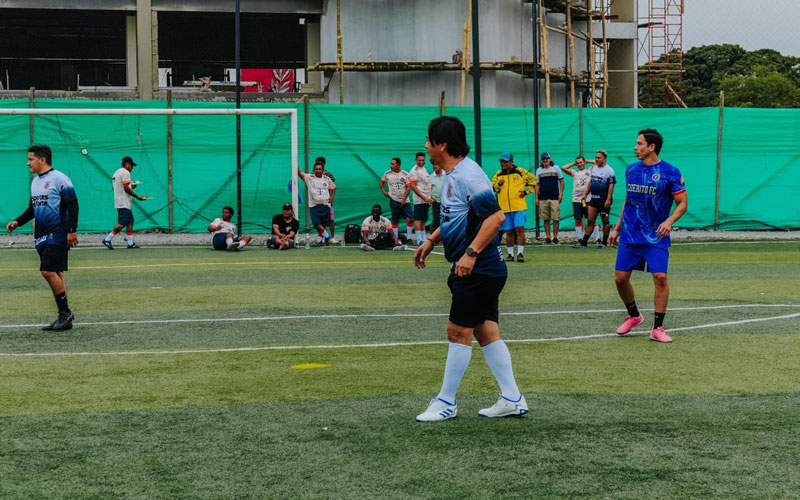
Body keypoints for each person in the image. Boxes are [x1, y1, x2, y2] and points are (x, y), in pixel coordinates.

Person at [414, 116, 527, 422]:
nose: (425, 145)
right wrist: (430, 240)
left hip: (479, 270)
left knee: (457, 330)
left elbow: (496, 218)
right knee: (485, 330)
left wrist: (470, 254)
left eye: (428, 140)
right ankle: (512, 398)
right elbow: (454, 218)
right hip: (480, 269)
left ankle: (446, 402)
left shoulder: (469, 175)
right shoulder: (451, 174)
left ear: (442, 145)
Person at [609, 129, 687, 343]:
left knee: (660, 277)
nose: (635, 147)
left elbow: (682, 203)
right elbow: (628, 200)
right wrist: (616, 229)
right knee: (620, 278)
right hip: (630, 232)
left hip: (655, 235)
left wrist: (669, 221)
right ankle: (634, 315)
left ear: (651, 147)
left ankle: (658, 328)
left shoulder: (670, 171)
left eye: (639, 143)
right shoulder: (631, 170)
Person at [6, 145, 79, 331]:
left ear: (42, 160)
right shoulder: (35, 182)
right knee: (57, 273)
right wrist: (18, 221)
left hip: (58, 232)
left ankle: (65, 313)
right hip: (41, 235)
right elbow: (33, 209)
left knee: (47, 271)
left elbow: (72, 203)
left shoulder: (59, 178)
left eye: (30, 159)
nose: (27, 163)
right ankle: (64, 316)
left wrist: (72, 230)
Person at [491, 152, 537, 262]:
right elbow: (492, 188)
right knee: (509, 231)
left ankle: (520, 253)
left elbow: (534, 181)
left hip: (519, 206)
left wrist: (526, 192)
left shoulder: (520, 171)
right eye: (502, 161)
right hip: (505, 208)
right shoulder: (498, 174)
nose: (503, 163)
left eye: (505, 161)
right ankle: (510, 254)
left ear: (512, 162)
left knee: (519, 229)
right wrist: (498, 184)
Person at [102, 156, 149, 249]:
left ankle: (130, 243)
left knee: (130, 221)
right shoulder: (125, 172)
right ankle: (107, 239)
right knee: (123, 222)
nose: (132, 168)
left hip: (120, 200)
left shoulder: (117, 172)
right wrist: (137, 196)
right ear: (127, 164)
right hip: (123, 202)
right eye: (131, 165)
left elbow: (122, 186)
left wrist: (132, 186)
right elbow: (126, 187)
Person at [577, 150, 616, 248]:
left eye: (599, 158)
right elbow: (591, 182)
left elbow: (611, 186)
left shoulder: (609, 170)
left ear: (604, 158)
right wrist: (586, 194)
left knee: (605, 221)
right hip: (594, 199)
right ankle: (584, 243)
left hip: (604, 200)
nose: (597, 159)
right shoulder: (594, 168)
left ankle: (603, 243)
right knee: (590, 220)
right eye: (596, 158)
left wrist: (608, 199)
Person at [561, 155, 597, 245]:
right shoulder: (574, 172)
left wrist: (587, 161)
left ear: (584, 162)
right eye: (578, 163)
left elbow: (597, 163)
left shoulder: (590, 170)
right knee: (578, 219)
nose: (579, 164)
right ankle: (580, 239)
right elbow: (563, 167)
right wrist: (574, 163)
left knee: (591, 219)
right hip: (576, 199)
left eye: (581, 162)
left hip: (588, 199)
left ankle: (598, 239)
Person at [299, 161, 336, 245]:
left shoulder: (327, 178)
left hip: (326, 204)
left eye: (320, 169)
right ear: (313, 170)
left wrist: (332, 196)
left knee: (323, 224)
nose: (318, 171)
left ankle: (319, 240)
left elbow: (334, 187)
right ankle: (327, 236)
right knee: (316, 223)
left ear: (323, 171)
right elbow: (300, 174)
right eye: (316, 169)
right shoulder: (309, 177)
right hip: (314, 205)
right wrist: (295, 164)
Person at [380, 157, 413, 243]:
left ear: (398, 165)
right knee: (395, 220)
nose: (391, 165)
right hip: (394, 199)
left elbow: (408, 187)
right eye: (391, 164)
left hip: (405, 200)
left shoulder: (405, 174)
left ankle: (409, 238)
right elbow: (382, 181)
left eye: (393, 164)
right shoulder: (387, 173)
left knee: (410, 218)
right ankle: (395, 239)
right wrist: (384, 192)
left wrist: (404, 199)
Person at [535, 152, 564, 244]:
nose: (545, 160)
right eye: (543, 159)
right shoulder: (539, 170)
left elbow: (562, 181)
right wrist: (536, 198)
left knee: (556, 218)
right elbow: (537, 185)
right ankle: (548, 237)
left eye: (546, 159)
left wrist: (561, 194)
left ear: (550, 159)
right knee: (545, 218)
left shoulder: (556, 168)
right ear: (541, 160)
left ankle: (555, 237)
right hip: (543, 198)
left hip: (554, 197)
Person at [408, 152, 435, 246]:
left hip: (426, 199)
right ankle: (419, 239)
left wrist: (429, 197)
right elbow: (414, 187)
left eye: (423, 160)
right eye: (419, 160)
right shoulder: (414, 171)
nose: (421, 162)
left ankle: (423, 238)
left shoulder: (424, 169)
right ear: (416, 160)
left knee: (423, 219)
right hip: (419, 199)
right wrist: (424, 197)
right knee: (418, 219)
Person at [315, 156, 339, 244]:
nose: (318, 166)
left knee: (331, 219)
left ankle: (332, 237)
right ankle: (321, 238)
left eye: (320, 163)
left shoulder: (329, 175)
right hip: (316, 202)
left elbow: (333, 186)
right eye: (316, 163)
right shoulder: (312, 175)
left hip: (327, 202)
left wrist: (331, 197)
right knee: (319, 221)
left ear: (324, 164)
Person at [429, 161, 445, 232]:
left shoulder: (447, 175)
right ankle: (435, 237)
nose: (434, 166)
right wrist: (431, 198)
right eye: (433, 165)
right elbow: (428, 189)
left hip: (446, 202)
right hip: (436, 202)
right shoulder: (430, 177)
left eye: (436, 164)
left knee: (446, 219)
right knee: (437, 219)